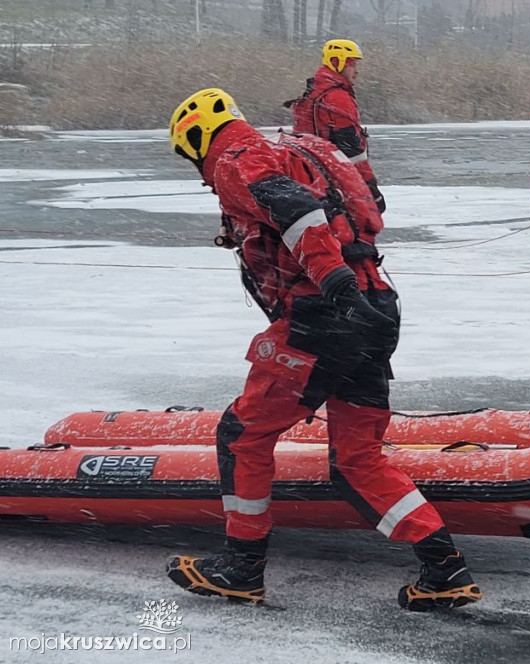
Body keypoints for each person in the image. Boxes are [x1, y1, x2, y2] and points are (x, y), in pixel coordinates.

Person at [166, 88, 482, 611]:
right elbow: (354, 204)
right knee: (358, 460)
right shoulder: (297, 151)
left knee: (242, 434)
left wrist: (331, 280)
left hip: (324, 315)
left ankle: (241, 566)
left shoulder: (234, 158)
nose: (196, 167)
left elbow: (297, 210)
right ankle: (445, 569)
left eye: (189, 155)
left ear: (196, 136)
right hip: (377, 306)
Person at [285, 39, 386, 214]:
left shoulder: (314, 92)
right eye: (352, 65)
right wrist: (370, 188)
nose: (357, 71)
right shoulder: (337, 98)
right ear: (336, 62)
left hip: (309, 180)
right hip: (335, 182)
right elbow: (352, 151)